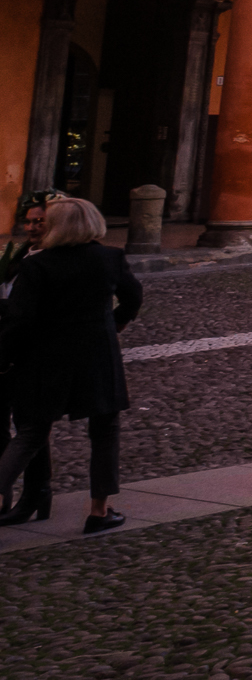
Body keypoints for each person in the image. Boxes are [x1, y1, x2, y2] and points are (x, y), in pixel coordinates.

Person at [0, 197, 142, 533]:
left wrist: (5, 359)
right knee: (105, 432)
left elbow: (20, 320)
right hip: (97, 356)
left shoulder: (38, 265)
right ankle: (99, 511)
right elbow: (133, 296)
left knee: (30, 434)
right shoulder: (109, 258)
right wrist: (114, 322)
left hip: (45, 358)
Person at [0, 193, 54, 520]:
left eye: (39, 222)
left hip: (29, 352)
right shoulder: (21, 252)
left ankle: (34, 493)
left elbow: (32, 310)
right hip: (8, 346)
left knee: (29, 426)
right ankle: (33, 494)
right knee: (20, 426)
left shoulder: (55, 259)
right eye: (29, 221)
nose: (32, 227)